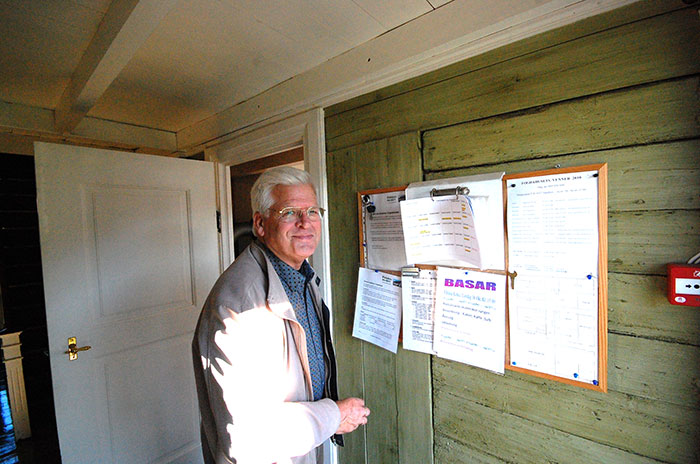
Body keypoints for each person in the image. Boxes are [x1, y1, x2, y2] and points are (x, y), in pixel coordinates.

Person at [192, 166, 370, 464]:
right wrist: (334, 414)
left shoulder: (301, 277)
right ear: (260, 224)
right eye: (289, 212)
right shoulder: (237, 306)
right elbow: (248, 437)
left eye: (312, 211)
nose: (305, 223)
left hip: (301, 448)